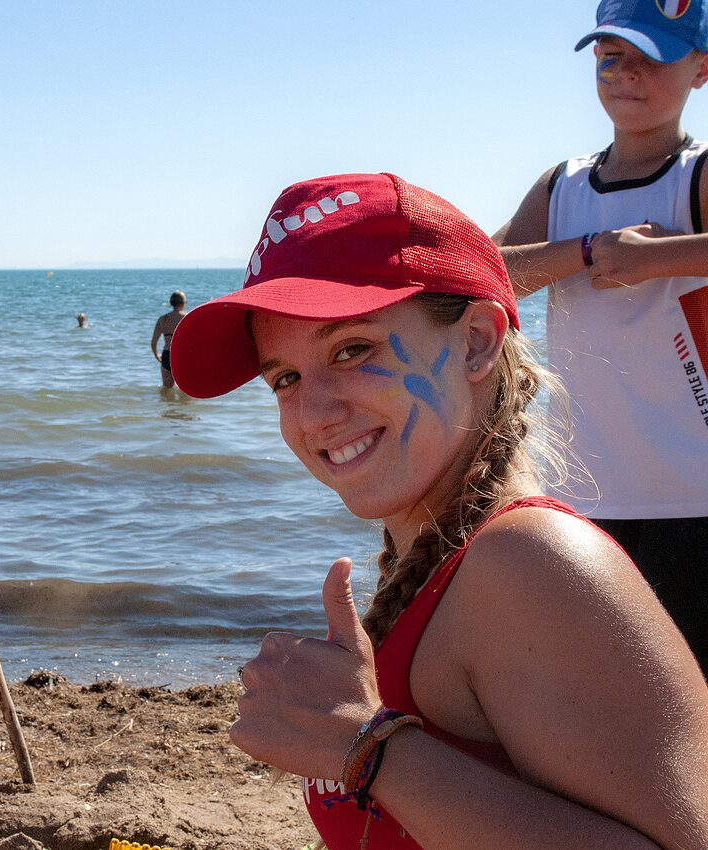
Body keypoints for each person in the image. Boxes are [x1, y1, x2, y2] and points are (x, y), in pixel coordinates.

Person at [170, 173, 708, 849]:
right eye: (286, 378)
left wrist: (366, 752)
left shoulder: (529, 562)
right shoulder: (445, 564)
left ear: (478, 341)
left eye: (352, 349)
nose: (312, 411)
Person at [493, 0, 708, 672]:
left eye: (652, 58)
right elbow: (492, 273)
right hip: (580, 488)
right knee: (597, 678)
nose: (628, 73)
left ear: (700, 69)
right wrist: (587, 250)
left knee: (686, 680)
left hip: (692, 489)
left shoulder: (695, 175)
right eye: (612, 56)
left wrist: (655, 259)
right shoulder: (564, 185)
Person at [150, 291, 187, 387]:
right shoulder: (186, 318)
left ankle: (166, 402)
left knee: (167, 389)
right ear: (184, 303)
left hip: (167, 354)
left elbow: (154, 342)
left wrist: (156, 355)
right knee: (185, 391)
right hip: (182, 356)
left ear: (171, 303)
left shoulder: (163, 319)